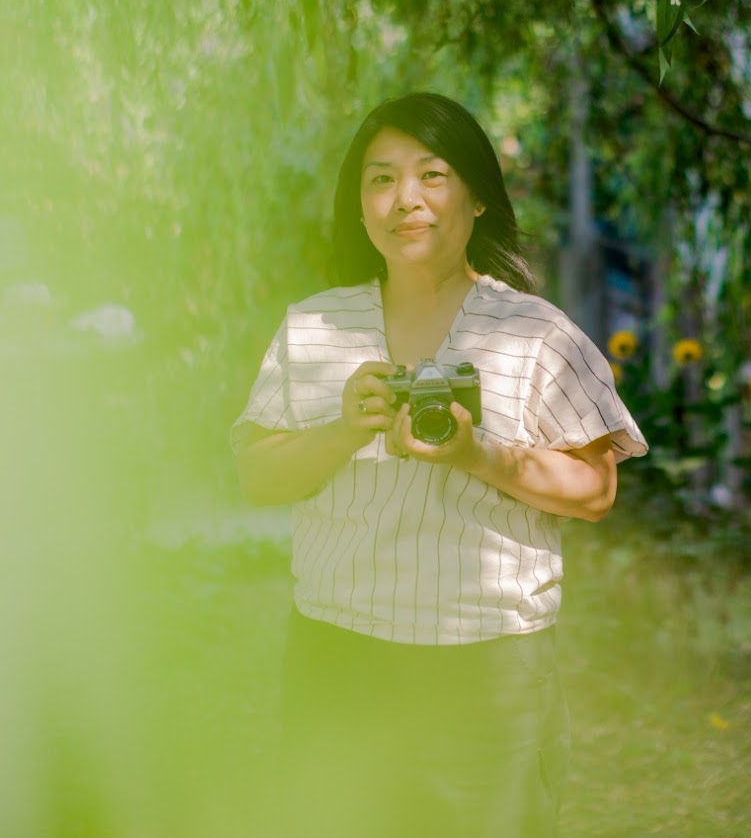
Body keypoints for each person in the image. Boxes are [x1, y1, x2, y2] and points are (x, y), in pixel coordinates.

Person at [231, 92, 647, 838]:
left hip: (486, 673)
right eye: (381, 179)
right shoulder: (315, 327)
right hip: (339, 657)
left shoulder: (536, 334)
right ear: (359, 207)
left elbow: (594, 489)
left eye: (432, 174)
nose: (406, 200)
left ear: (478, 196)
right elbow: (258, 474)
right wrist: (340, 429)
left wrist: (472, 451)